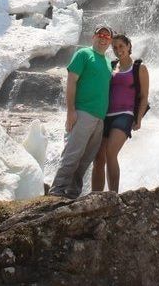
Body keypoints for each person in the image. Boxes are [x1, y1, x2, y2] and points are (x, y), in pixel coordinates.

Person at [49, 25, 114, 198]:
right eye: (100, 34)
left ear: (110, 41)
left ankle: (72, 193)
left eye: (107, 36)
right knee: (72, 154)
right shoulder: (84, 54)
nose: (103, 38)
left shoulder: (108, 63)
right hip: (83, 112)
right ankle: (56, 191)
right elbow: (71, 81)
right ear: (93, 37)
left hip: (100, 118)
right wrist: (71, 111)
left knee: (86, 159)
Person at [91, 34, 149, 193]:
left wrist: (138, 119)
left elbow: (144, 96)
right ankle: (96, 197)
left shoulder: (139, 68)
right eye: (115, 47)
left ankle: (113, 197)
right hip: (106, 115)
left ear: (129, 46)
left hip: (125, 115)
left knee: (111, 152)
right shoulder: (111, 66)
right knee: (98, 158)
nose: (118, 50)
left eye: (121, 46)